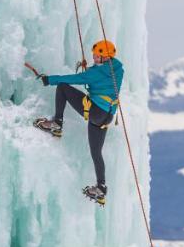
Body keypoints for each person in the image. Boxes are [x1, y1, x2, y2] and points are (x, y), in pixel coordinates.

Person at [32, 39, 124, 205]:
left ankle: (57, 123)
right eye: (94, 55)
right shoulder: (117, 69)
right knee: (96, 153)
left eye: (97, 56)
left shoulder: (96, 73)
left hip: (96, 112)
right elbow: (100, 76)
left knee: (63, 87)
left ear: (105, 58)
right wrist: (92, 69)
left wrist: (49, 79)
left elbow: (77, 78)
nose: (94, 58)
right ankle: (101, 188)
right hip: (106, 116)